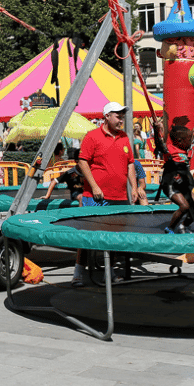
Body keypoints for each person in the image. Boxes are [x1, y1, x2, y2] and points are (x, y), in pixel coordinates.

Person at [71, 102, 140, 287]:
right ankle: (78, 272)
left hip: (119, 197)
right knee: (87, 235)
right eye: (118, 116)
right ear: (107, 116)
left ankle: (109, 273)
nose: (121, 119)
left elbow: (131, 164)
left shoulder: (125, 137)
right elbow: (83, 162)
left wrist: (134, 188)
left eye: (122, 116)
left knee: (114, 236)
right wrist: (94, 187)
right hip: (96, 197)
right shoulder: (92, 136)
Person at [152, 118, 194, 233]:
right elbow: (159, 143)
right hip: (170, 185)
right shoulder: (169, 150)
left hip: (183, 185)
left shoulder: (184, 148)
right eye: (188, 139)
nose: (191, 141)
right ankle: (170, 228)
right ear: (180, 140)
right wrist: (156, 129)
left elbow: (192, 137)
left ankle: (183, 226)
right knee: (184, 207)